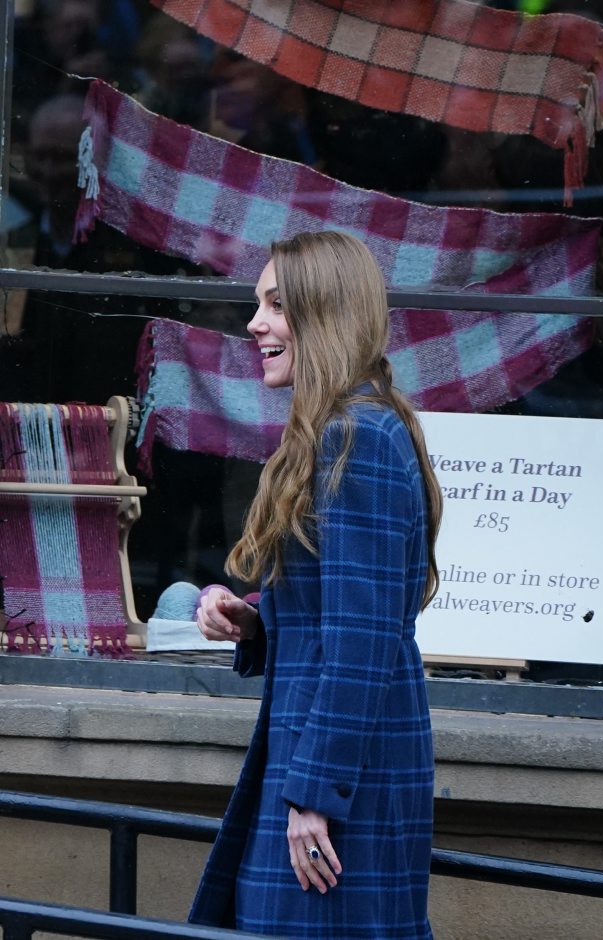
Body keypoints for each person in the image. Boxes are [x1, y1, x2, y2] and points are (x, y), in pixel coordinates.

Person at [190, 231, 442, 939]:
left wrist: (315, 798)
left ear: (325, 313)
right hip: (331, 762)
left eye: (276, 305)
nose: (255, 323)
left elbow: (363, 639)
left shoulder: (354, 436)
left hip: (334, 779)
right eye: (258, 304)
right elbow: (346, 608)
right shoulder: (346, 427)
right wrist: (257, 619)